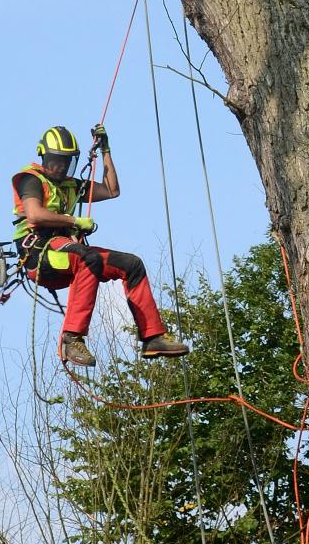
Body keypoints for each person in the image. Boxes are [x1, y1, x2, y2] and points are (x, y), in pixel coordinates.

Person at [11, 124, 189, 365]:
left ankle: (153, 337)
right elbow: (34, 214)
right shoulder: (31, 180)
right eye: (55, 161)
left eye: (65, 162)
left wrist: (106, 150)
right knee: (88, 258)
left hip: (67, 251)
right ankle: (71, 339)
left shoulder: (71, 186)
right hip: (40, 254)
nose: (60, 167)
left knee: (131, 265)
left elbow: (112, 190)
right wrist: (73, 220)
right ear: (44, 156)